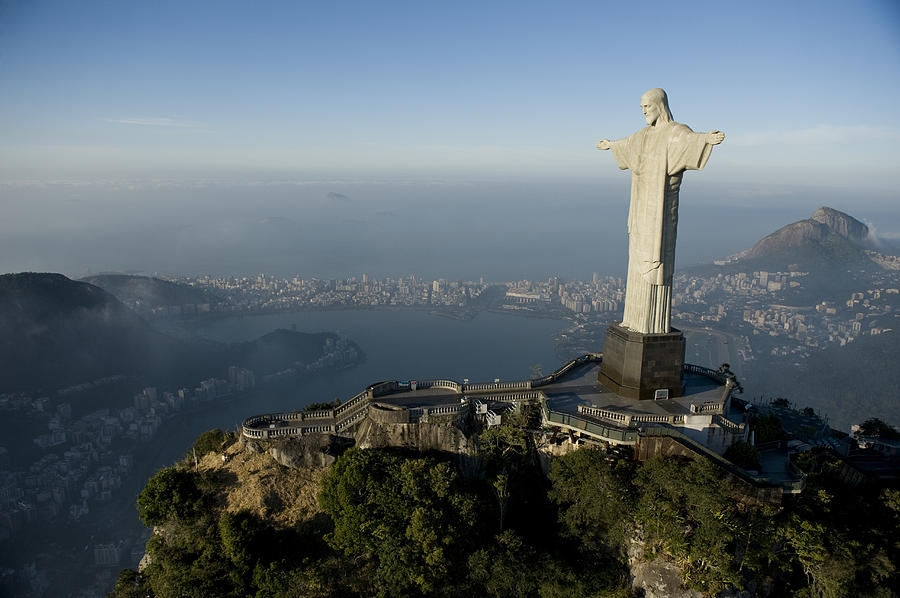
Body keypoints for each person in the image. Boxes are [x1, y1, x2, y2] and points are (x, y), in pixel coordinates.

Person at [596, 88, 724, 334]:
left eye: (647, 106)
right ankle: (633, 321)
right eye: (641, 107)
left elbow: (689, 141)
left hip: (660, 212)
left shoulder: (675, 132)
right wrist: (611, 144)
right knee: (636, 262)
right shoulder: (643, 135)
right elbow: (627, 145)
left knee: (657, 264)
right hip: (640, 210)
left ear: (660, 105)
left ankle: (652, 326)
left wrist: (706, 139)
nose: (644, 111)